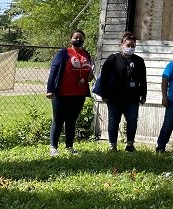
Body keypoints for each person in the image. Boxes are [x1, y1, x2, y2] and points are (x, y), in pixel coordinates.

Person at [46, 29, 92, 157]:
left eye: (81, 38)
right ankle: (53, 147)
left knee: (72, 121)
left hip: (79, 94)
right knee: (58, 120)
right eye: (76, 37)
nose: (78, 40)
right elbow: (54, 71)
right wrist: (50, 90)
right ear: (70, 39)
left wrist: (89, 76)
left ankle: (69, 146)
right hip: (61, 93)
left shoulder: (86, 54)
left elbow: (88, 70)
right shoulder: (63, 53)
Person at [99, 32, 147, 152]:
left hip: (132, 97)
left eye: (133, 46)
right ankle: (112, 146)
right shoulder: (113, 58)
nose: (130, 48)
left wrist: (143, 95)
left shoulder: (139, 61)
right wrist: (104, 94)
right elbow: (104, 77)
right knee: (114, 121)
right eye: (128, 45)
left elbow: (143, 79)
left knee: (132, 121)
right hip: (114, 97)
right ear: (122, 44)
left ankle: (130, 145)